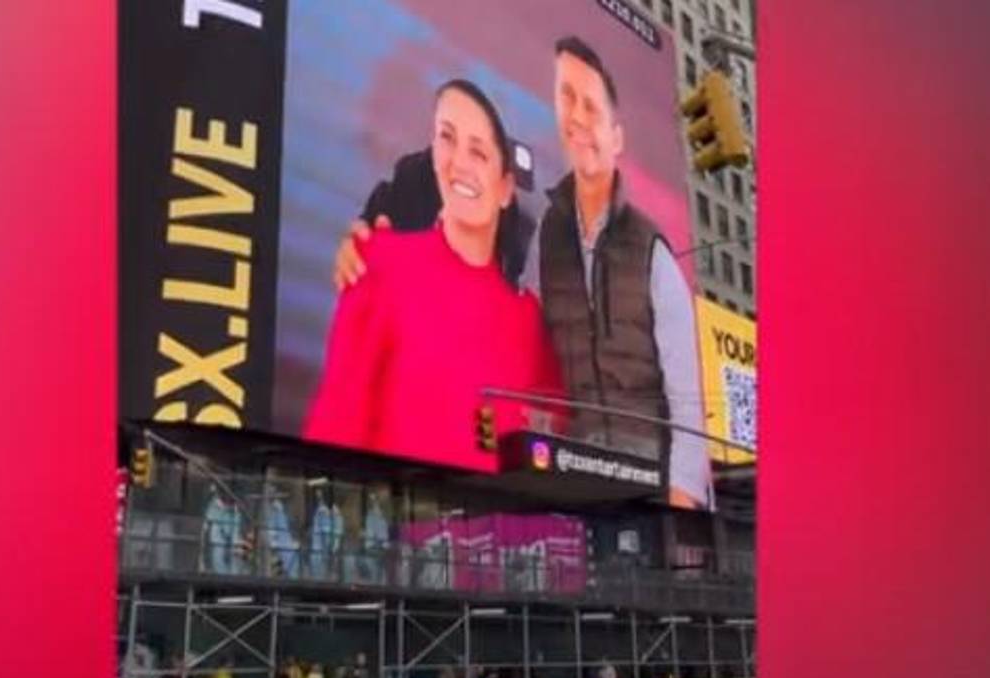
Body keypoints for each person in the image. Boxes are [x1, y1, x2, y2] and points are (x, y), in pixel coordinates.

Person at [332, 41, 710, 508]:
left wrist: (682, 503)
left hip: (652, 489)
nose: (576, 117)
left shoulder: (653, 249)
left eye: (590, 106)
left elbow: (688, 400)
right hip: (579, 490)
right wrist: (367, 240)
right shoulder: (544, 236)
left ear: (617, 137)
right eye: (566, 99)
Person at [304, 79, 565, 472]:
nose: (459, 163)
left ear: (506, 187)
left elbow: (554, 441)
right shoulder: (380, 259)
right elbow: (337, 422)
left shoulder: (530, 318)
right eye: (447, 138)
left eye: (478, 152)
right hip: (390, 520)